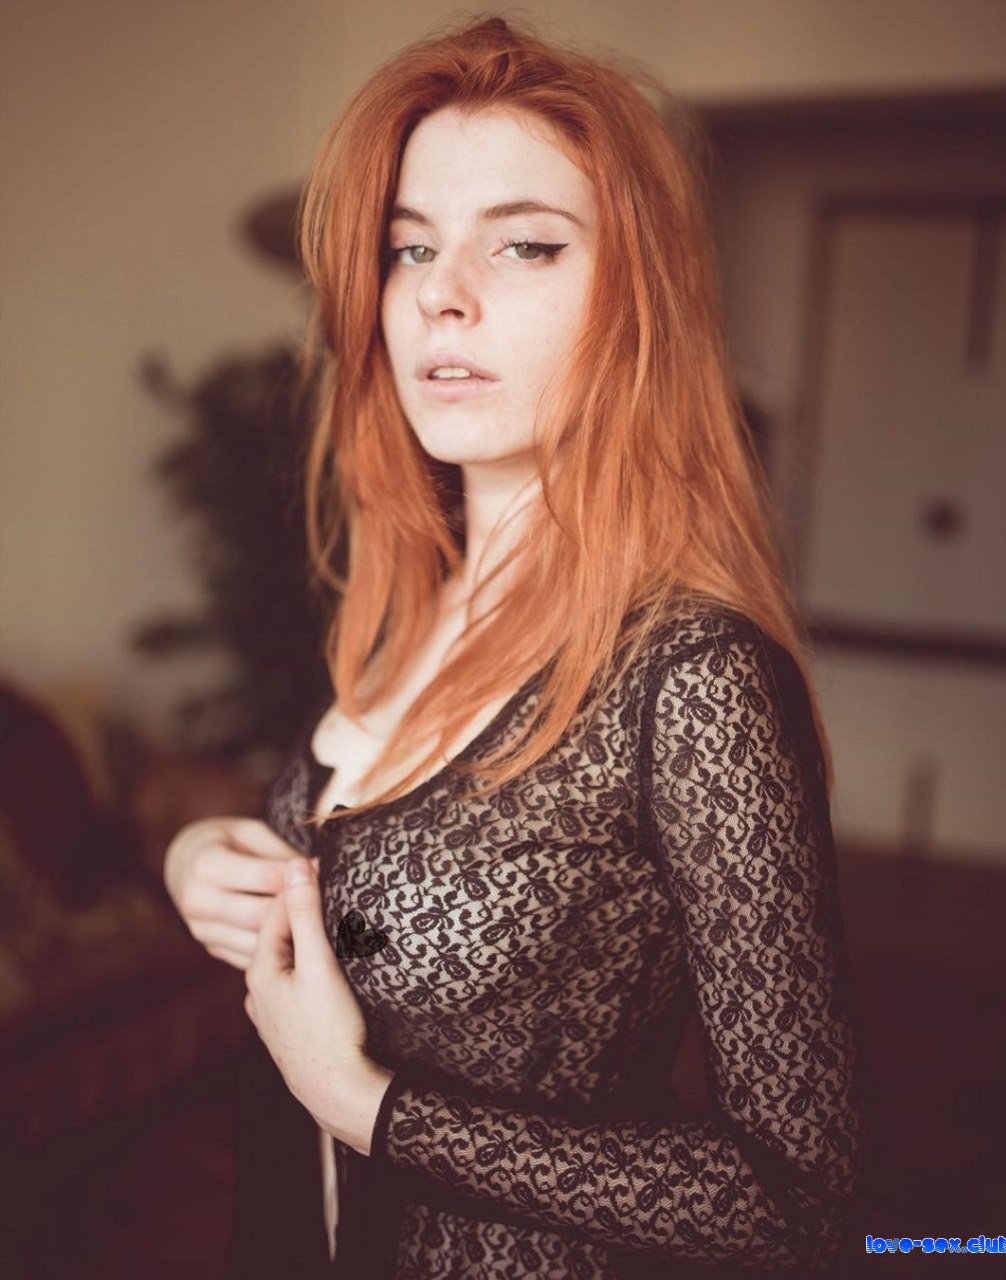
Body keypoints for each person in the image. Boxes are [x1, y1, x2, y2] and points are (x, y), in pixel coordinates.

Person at [164, 14, 868, 1278]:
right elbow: (353, 857)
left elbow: (799, 1193)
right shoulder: (403, 607)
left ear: (635, 301)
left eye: (525, 242)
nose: (442, 291)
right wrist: (199, 855)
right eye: (411, 246)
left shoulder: (692, 677)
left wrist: (365, 1102)